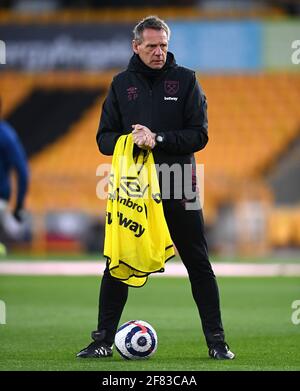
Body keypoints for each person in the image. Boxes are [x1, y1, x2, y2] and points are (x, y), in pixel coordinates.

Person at [77, 16, 235, 360]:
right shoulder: (121, 84)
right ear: (136, 46)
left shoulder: (186, 80)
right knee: (118, 261)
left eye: (163, 45)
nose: (159, 52)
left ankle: (217, 342)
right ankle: (103, 340)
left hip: (180, 183)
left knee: (197, 260)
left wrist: (157, 138)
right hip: (135, 189)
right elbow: (104, 140)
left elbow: (200, 134)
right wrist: (130, 139)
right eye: (151, 46)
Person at [0, 97, 29, 241]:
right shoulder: (7, 135)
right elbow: (22, 171)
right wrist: (19, 205)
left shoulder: (5, 136)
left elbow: (22, 171)